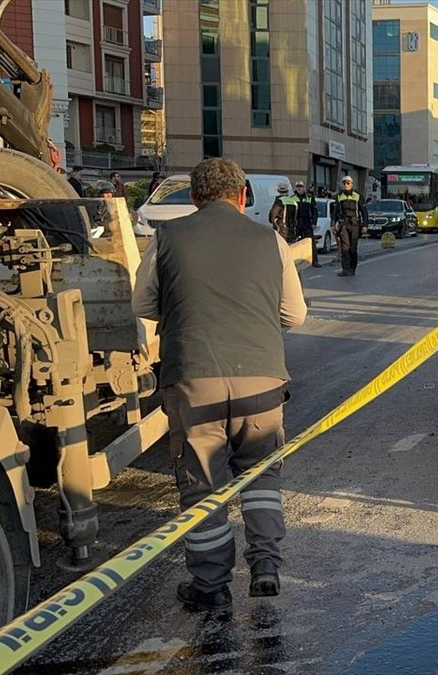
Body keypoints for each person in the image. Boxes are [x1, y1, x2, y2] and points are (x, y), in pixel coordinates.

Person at [131, 158, 307, 611]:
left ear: (193, 197)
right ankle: (265, 565)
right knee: (260, 474)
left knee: (201, 482)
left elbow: (142, 305)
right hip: (261, 378)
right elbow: (295, 314)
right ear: (243, 196)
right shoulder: (271, 240)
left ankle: (210, 585)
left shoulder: (166, 237)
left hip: (193, 378)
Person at [331, 175, 366, 277]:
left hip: (355, 224)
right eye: (344, 183)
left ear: (352, 184)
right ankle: (345, 269)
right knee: (345, 248)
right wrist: (333, 224)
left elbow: (364, 212)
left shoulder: (357, 195)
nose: (346, 185)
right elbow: (335, 212)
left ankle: (352, 268)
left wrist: (365, 225)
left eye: (348, 183)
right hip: (344, 224)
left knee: (353, 249)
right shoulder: (339, 196)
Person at [293, 180, 320, 267]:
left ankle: (315, 261)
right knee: (296, 242)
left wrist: (314, 222)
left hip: (307, 222)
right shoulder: (292, 198)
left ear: (304, 188)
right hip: (297, 222)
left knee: (311, 241)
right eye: (298, 187)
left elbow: (314, 211)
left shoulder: (309, 197)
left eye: (301, 187)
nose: (299, 188)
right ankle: (297, 260)